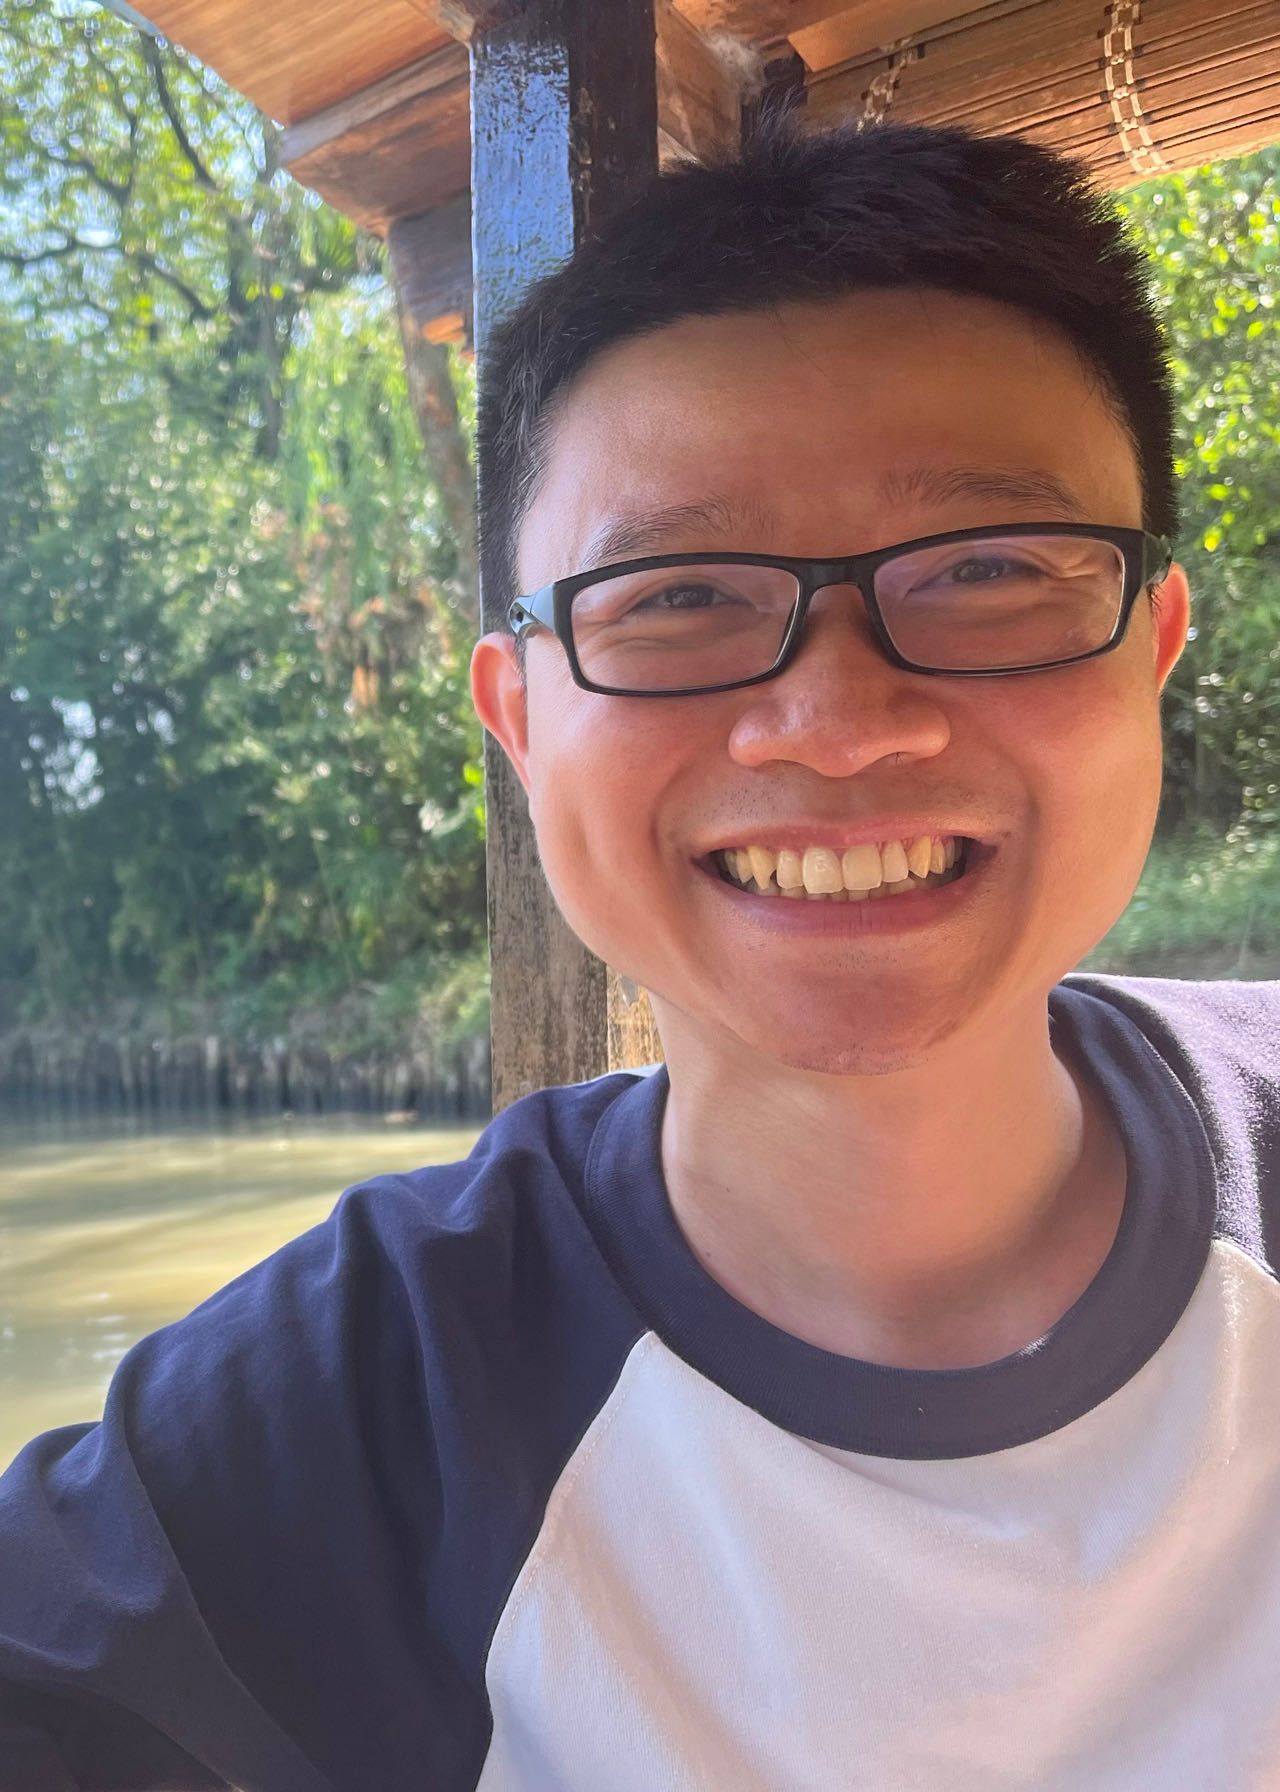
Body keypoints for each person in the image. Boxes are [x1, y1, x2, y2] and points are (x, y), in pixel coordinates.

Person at [2, 115, 1278, 1792]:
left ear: (1154, 648)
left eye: (986, 571)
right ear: (521, 721)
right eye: (677, 597)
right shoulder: (355, 1415)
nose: (838, 722)